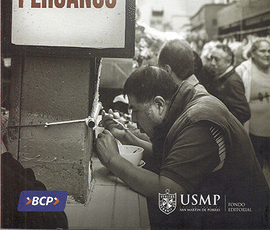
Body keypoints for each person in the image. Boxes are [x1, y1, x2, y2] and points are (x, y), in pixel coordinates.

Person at [96, 62, 269, 229]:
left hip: (244, 219)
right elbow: (171, 157)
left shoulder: (198, 121)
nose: (133, 118)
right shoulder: (187, 99)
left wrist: (112, 159)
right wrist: (126, 137)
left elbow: (168, 192)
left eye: (135, 110)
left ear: (159, 104)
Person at [235, 38, 270, 169]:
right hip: (254, 134)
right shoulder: (243, 70)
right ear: (253, 53)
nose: (267, 54)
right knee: (257, 170)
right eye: (262, 51)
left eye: (269, 51)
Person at [209, 43, 250, 125]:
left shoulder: (232, 81)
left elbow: (244, 112)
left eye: (217, 59)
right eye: (211, 58)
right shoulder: (223, 77)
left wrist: (221, 121)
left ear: (228, 62)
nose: (212, 63)